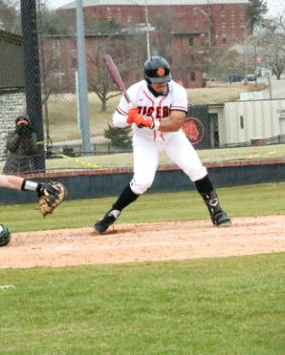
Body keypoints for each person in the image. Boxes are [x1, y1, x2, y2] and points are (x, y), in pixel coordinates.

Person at [93, 56, 231, 234]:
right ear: (148, 80)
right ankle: (112, 214)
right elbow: (116, 121)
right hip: (145, 140)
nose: (162, 84)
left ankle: (217, 212)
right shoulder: (134, 92)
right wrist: (130, 118)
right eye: (157, 82)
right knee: (142, 182)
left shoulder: (178, 91)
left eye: (165, 80)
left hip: (172, 137)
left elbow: (175, 123)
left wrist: (150, 122)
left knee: (196, 169)